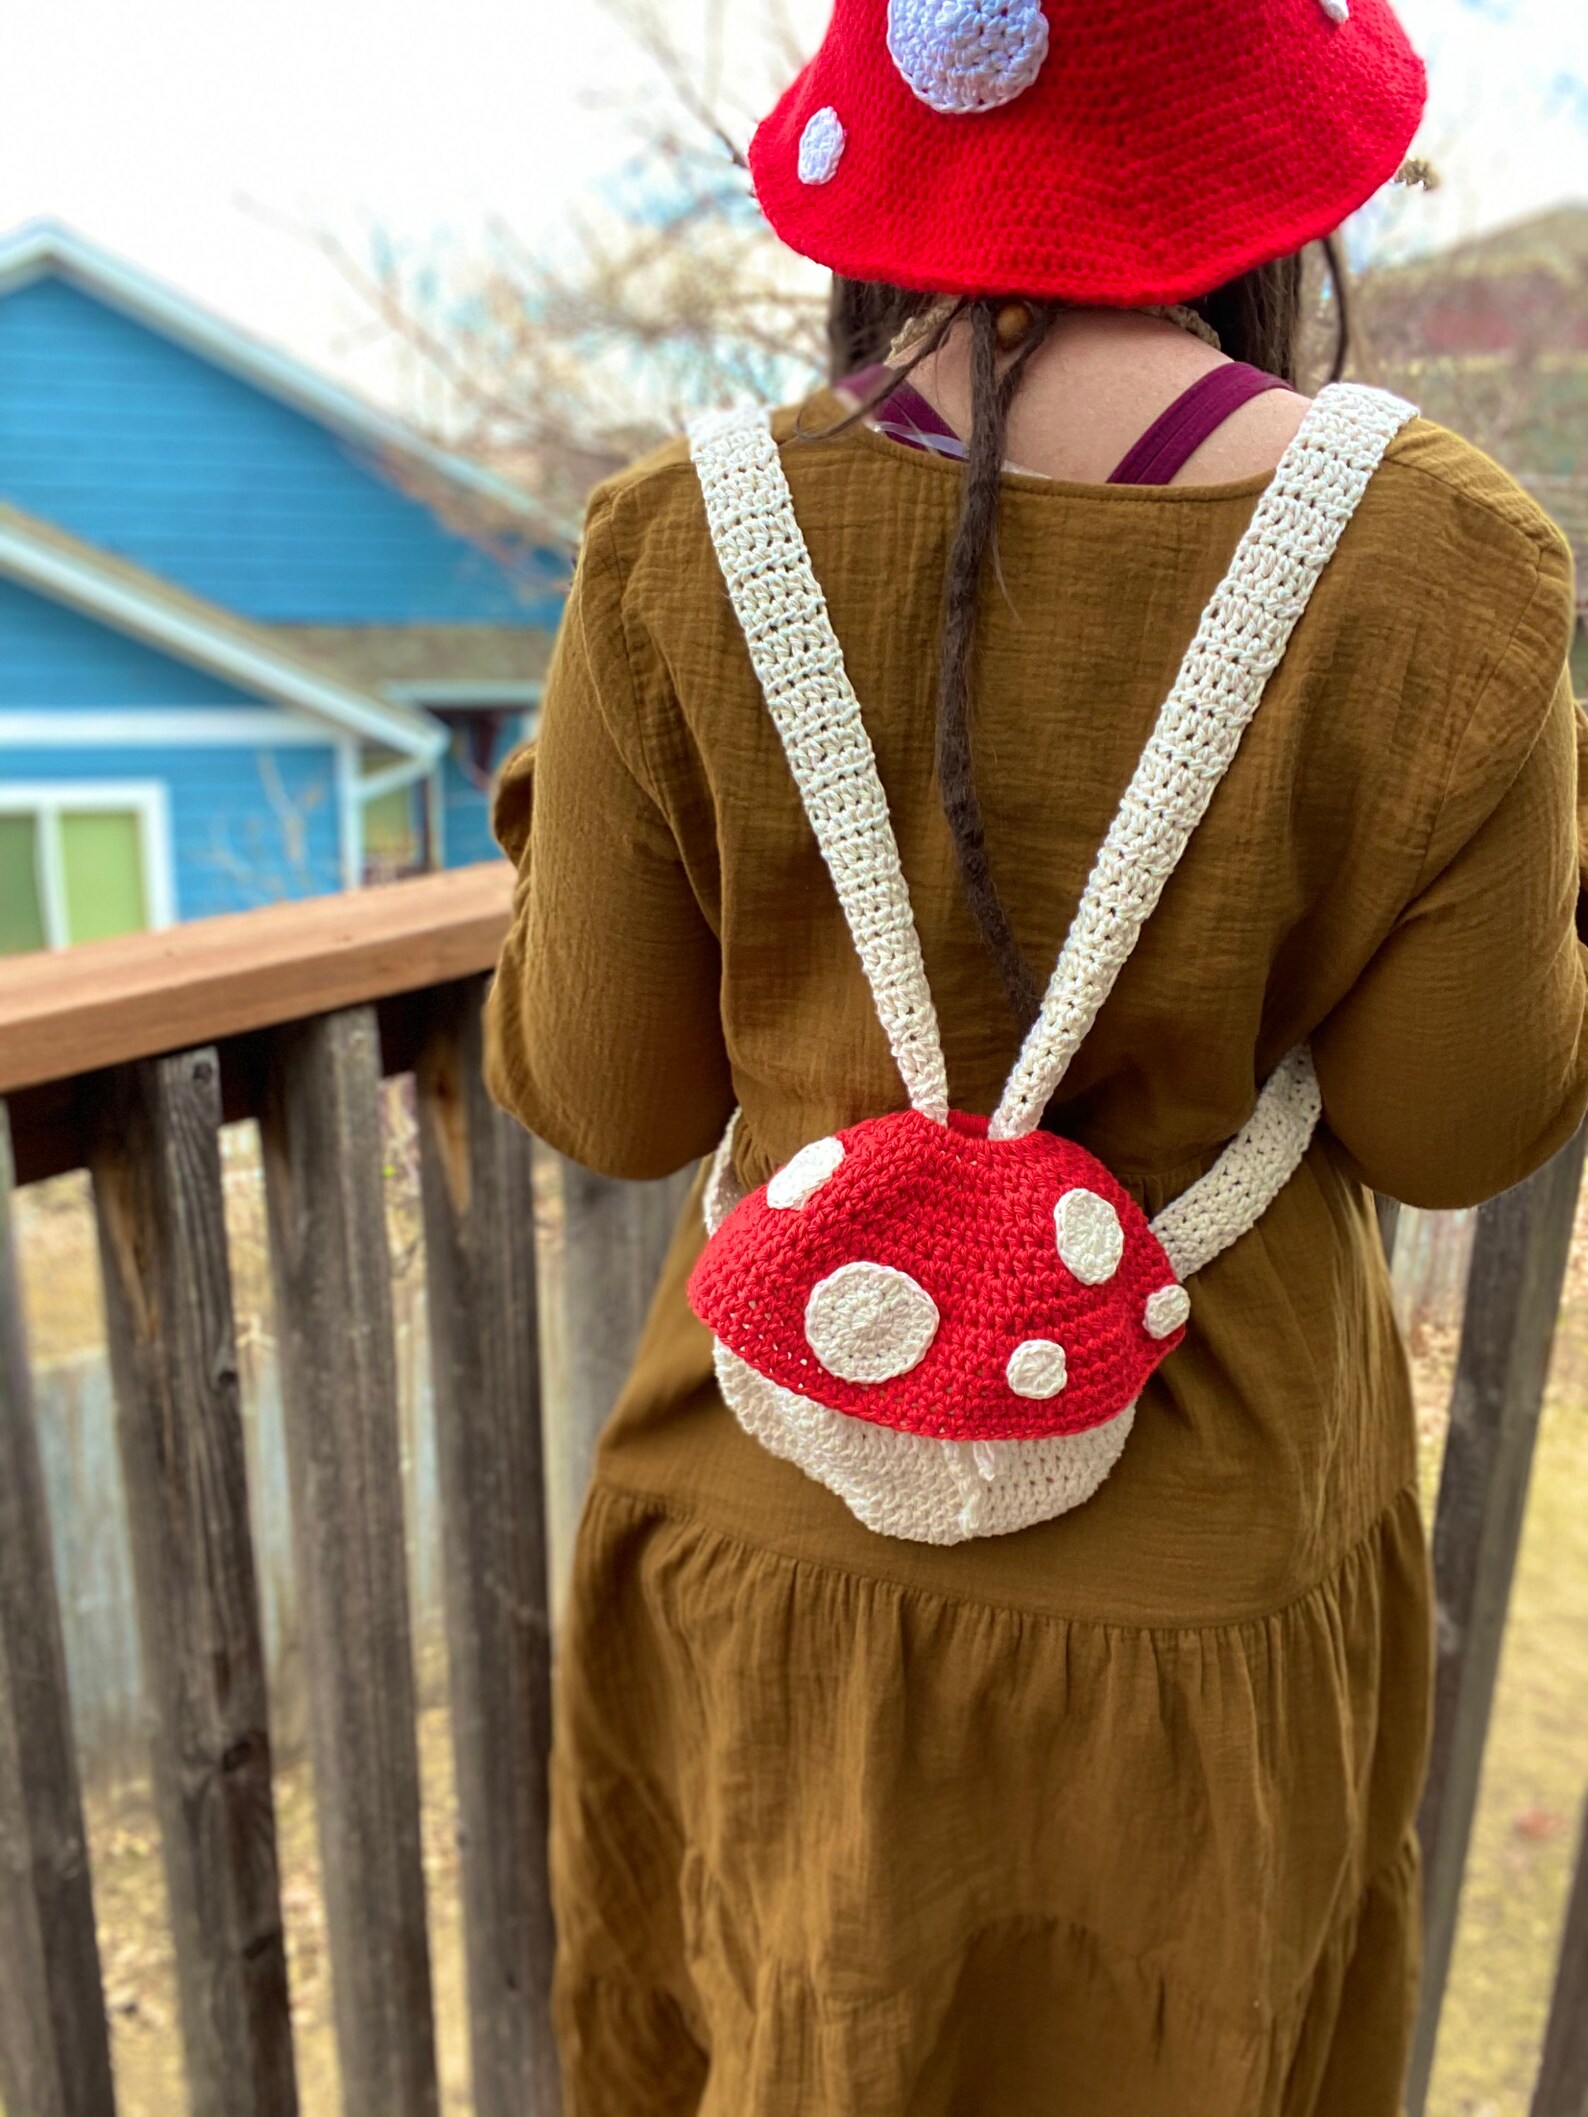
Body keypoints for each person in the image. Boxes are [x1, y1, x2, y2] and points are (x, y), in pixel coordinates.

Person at [484, 0, 1588, 2109]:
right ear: (1253, 164)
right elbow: (1455, 1127)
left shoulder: (678, 542)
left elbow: (603, 1090)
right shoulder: (1444, 568)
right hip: (1205, 1580)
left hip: (762, 1543)